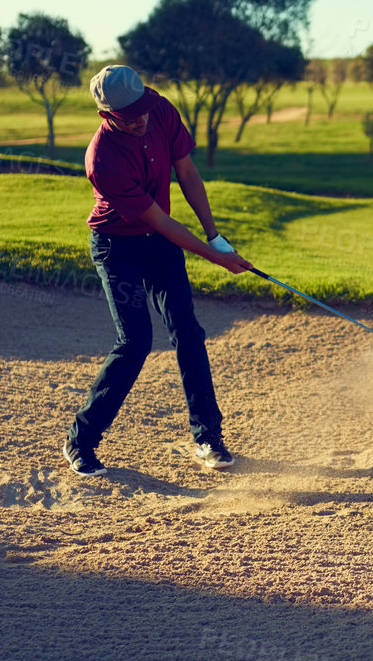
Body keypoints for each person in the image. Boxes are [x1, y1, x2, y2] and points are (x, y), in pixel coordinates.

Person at [61, 65, 254, 477]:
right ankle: (81, 439)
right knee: (135, 342)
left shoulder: (160, 110)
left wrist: (215, 236)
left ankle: (207, 437)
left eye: (144, 109)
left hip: (159, 246)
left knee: (187, 330)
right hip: (119, 247)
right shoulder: (102, 158)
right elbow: (160, 221)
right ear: (107, 114)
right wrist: (214, 257)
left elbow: (186, 171)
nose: (142, 118)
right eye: (131, 115)